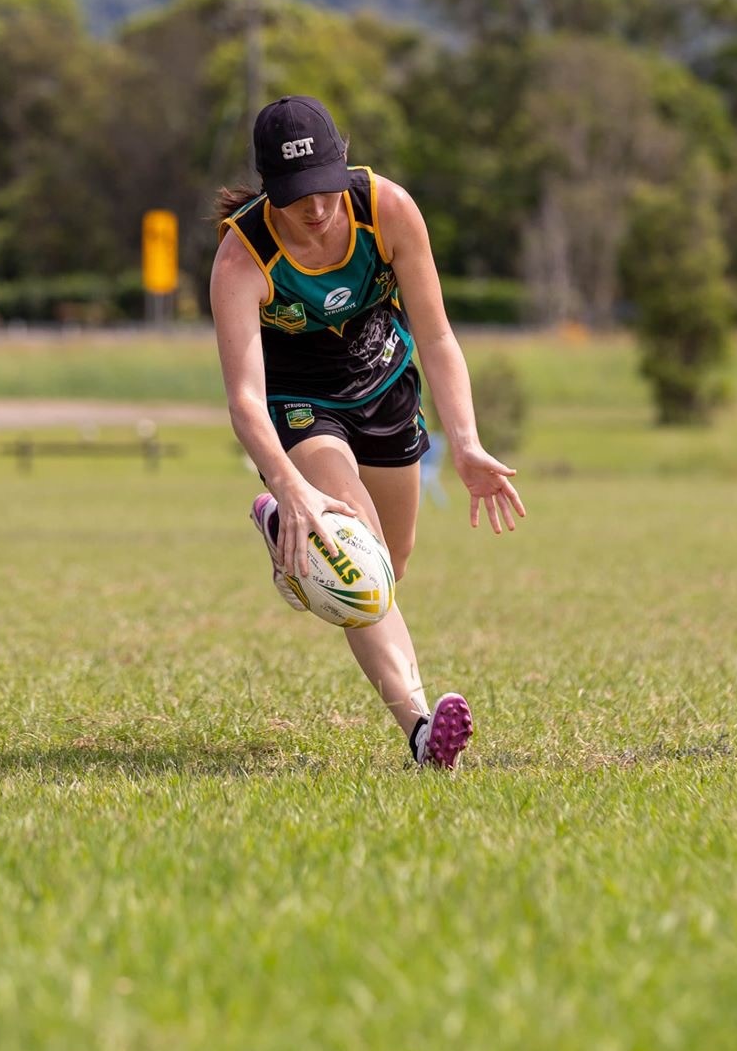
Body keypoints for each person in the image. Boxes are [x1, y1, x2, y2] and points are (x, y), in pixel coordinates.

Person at [212, 95, 525, 770]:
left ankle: (294, 557)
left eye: (325, 186)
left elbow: (437, 334)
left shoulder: (388, 209)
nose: (317, 208)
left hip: (385, 384)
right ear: (270, 189)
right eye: (297, 197)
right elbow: (243, 398)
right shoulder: (242, 259)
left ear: (343, 165)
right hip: (301, 405)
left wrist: (465, 440)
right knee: (363, 558)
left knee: (392, 564)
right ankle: (420, 731)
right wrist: (289, 481)